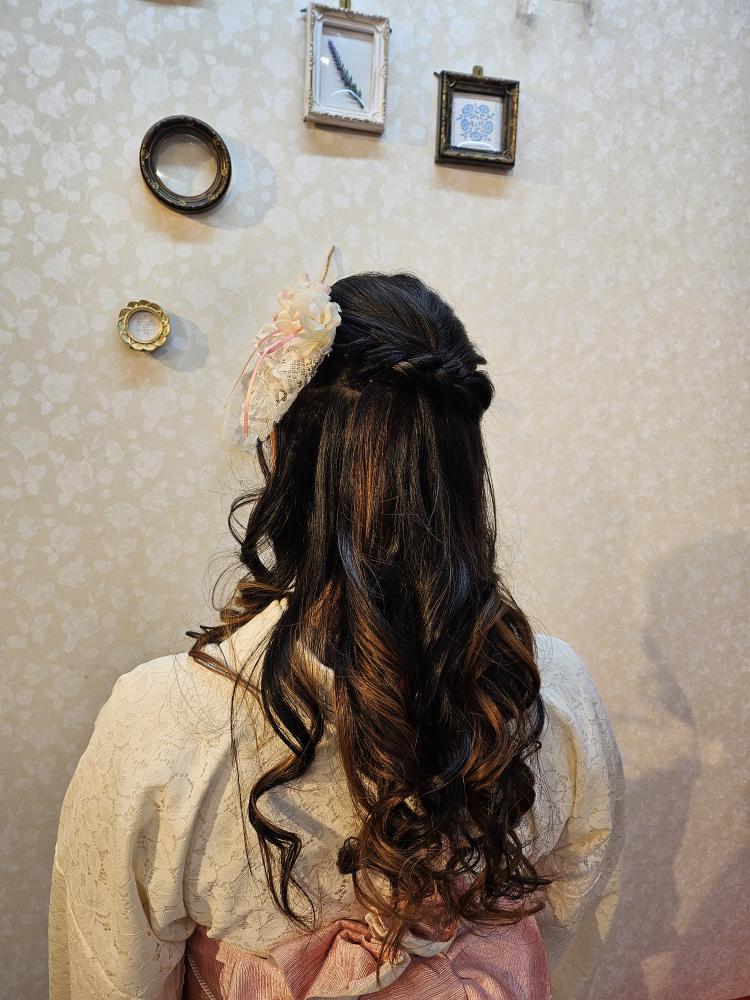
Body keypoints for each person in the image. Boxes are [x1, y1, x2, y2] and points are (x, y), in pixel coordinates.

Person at [48, 252, 625, 1000]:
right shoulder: (551, 691)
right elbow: (575, 923)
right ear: (461, 466)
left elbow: (110, 978)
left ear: (280, 452)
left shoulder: (162, 724)